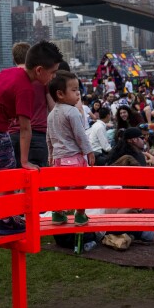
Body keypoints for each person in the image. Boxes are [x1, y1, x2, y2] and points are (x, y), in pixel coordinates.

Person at [0, 41, 63, 234]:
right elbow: (25, 128)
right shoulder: (26, 88)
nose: (54, 76)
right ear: (39, 70)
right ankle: (5, 221)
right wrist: (24, 161)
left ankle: (1, 218)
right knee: (8, 175)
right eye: (53, 72)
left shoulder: (10, 73)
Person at [46, 71, 95, 226]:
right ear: (60, 94)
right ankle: (80, 216)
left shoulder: (51, 115)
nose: (78, 94)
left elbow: (49, 138)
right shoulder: (72, 111)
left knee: (61, 188)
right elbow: (80, 135)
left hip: (59, 159)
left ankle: (58, 214)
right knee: (80, 189)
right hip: (74, 157)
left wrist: (50, 155)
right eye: (74, 90)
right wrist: (89, 151)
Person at [7, 42, 51, 169]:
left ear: (14, 59)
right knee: (37, 179)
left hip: (14, 134)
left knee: (14, 180)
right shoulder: (41, 77)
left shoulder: (9, 75)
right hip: (38, 133)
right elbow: (53, 107)